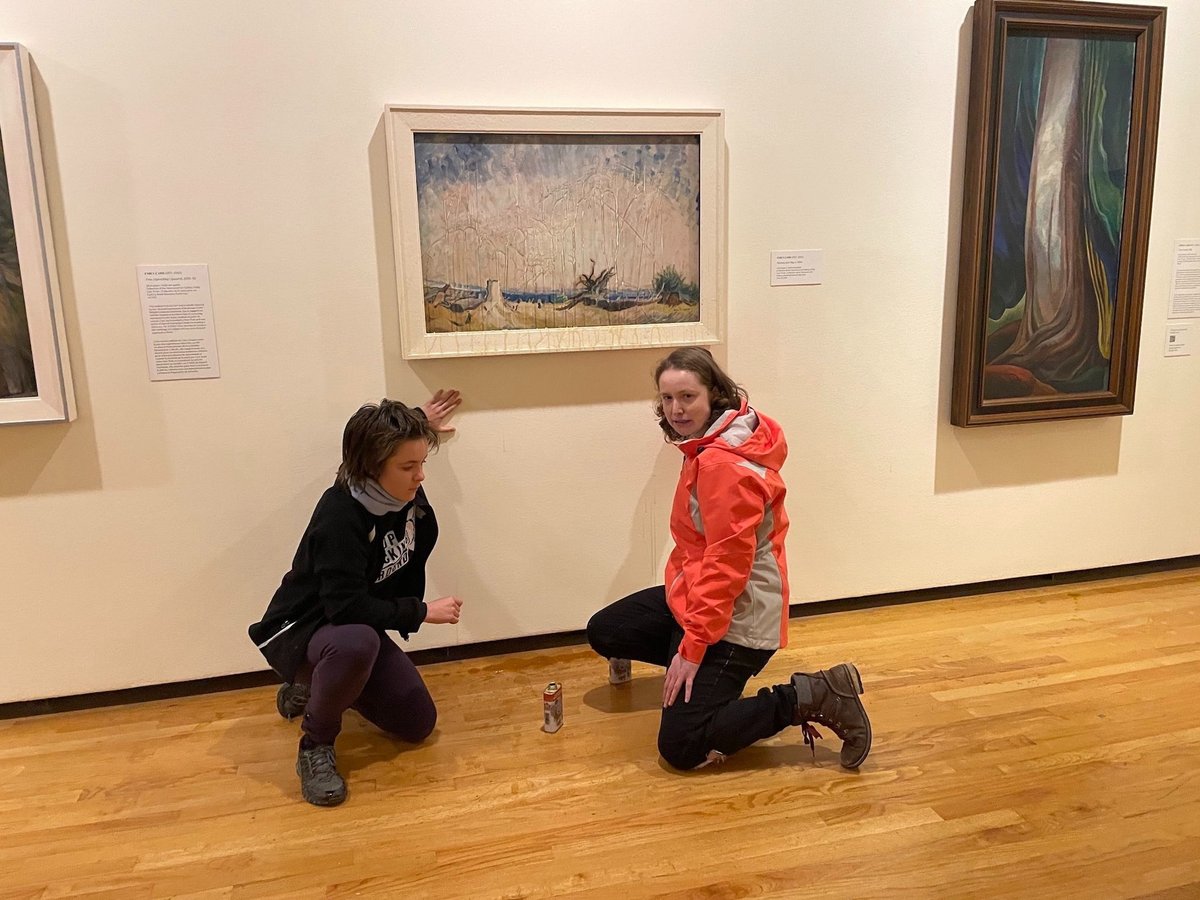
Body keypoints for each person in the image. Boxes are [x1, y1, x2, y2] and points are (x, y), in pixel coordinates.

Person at [587, 348, 872, 771]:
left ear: (714, 395)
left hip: (740, 616)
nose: (676, 409)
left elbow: (727, 566)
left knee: (682, 747)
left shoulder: (722, 464)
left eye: (687, 397)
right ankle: (707, 685)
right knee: (607, 630)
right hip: (699, 593)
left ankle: (813, 694)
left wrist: (693, 648)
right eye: (667, 398)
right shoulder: (712, 442)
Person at [248, 391, 463, 806]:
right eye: (408, 466)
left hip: (354, 623)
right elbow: (345, 608)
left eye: (422, 463)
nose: (420, 476)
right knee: (356, 642)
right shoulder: (341, 514)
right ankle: (315, 743)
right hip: (306, 627)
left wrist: (418, 419)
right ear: (371, 466)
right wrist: (421, 612)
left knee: (418, 724)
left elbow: (379, 437)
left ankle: (320, 687)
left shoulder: (400, 495)